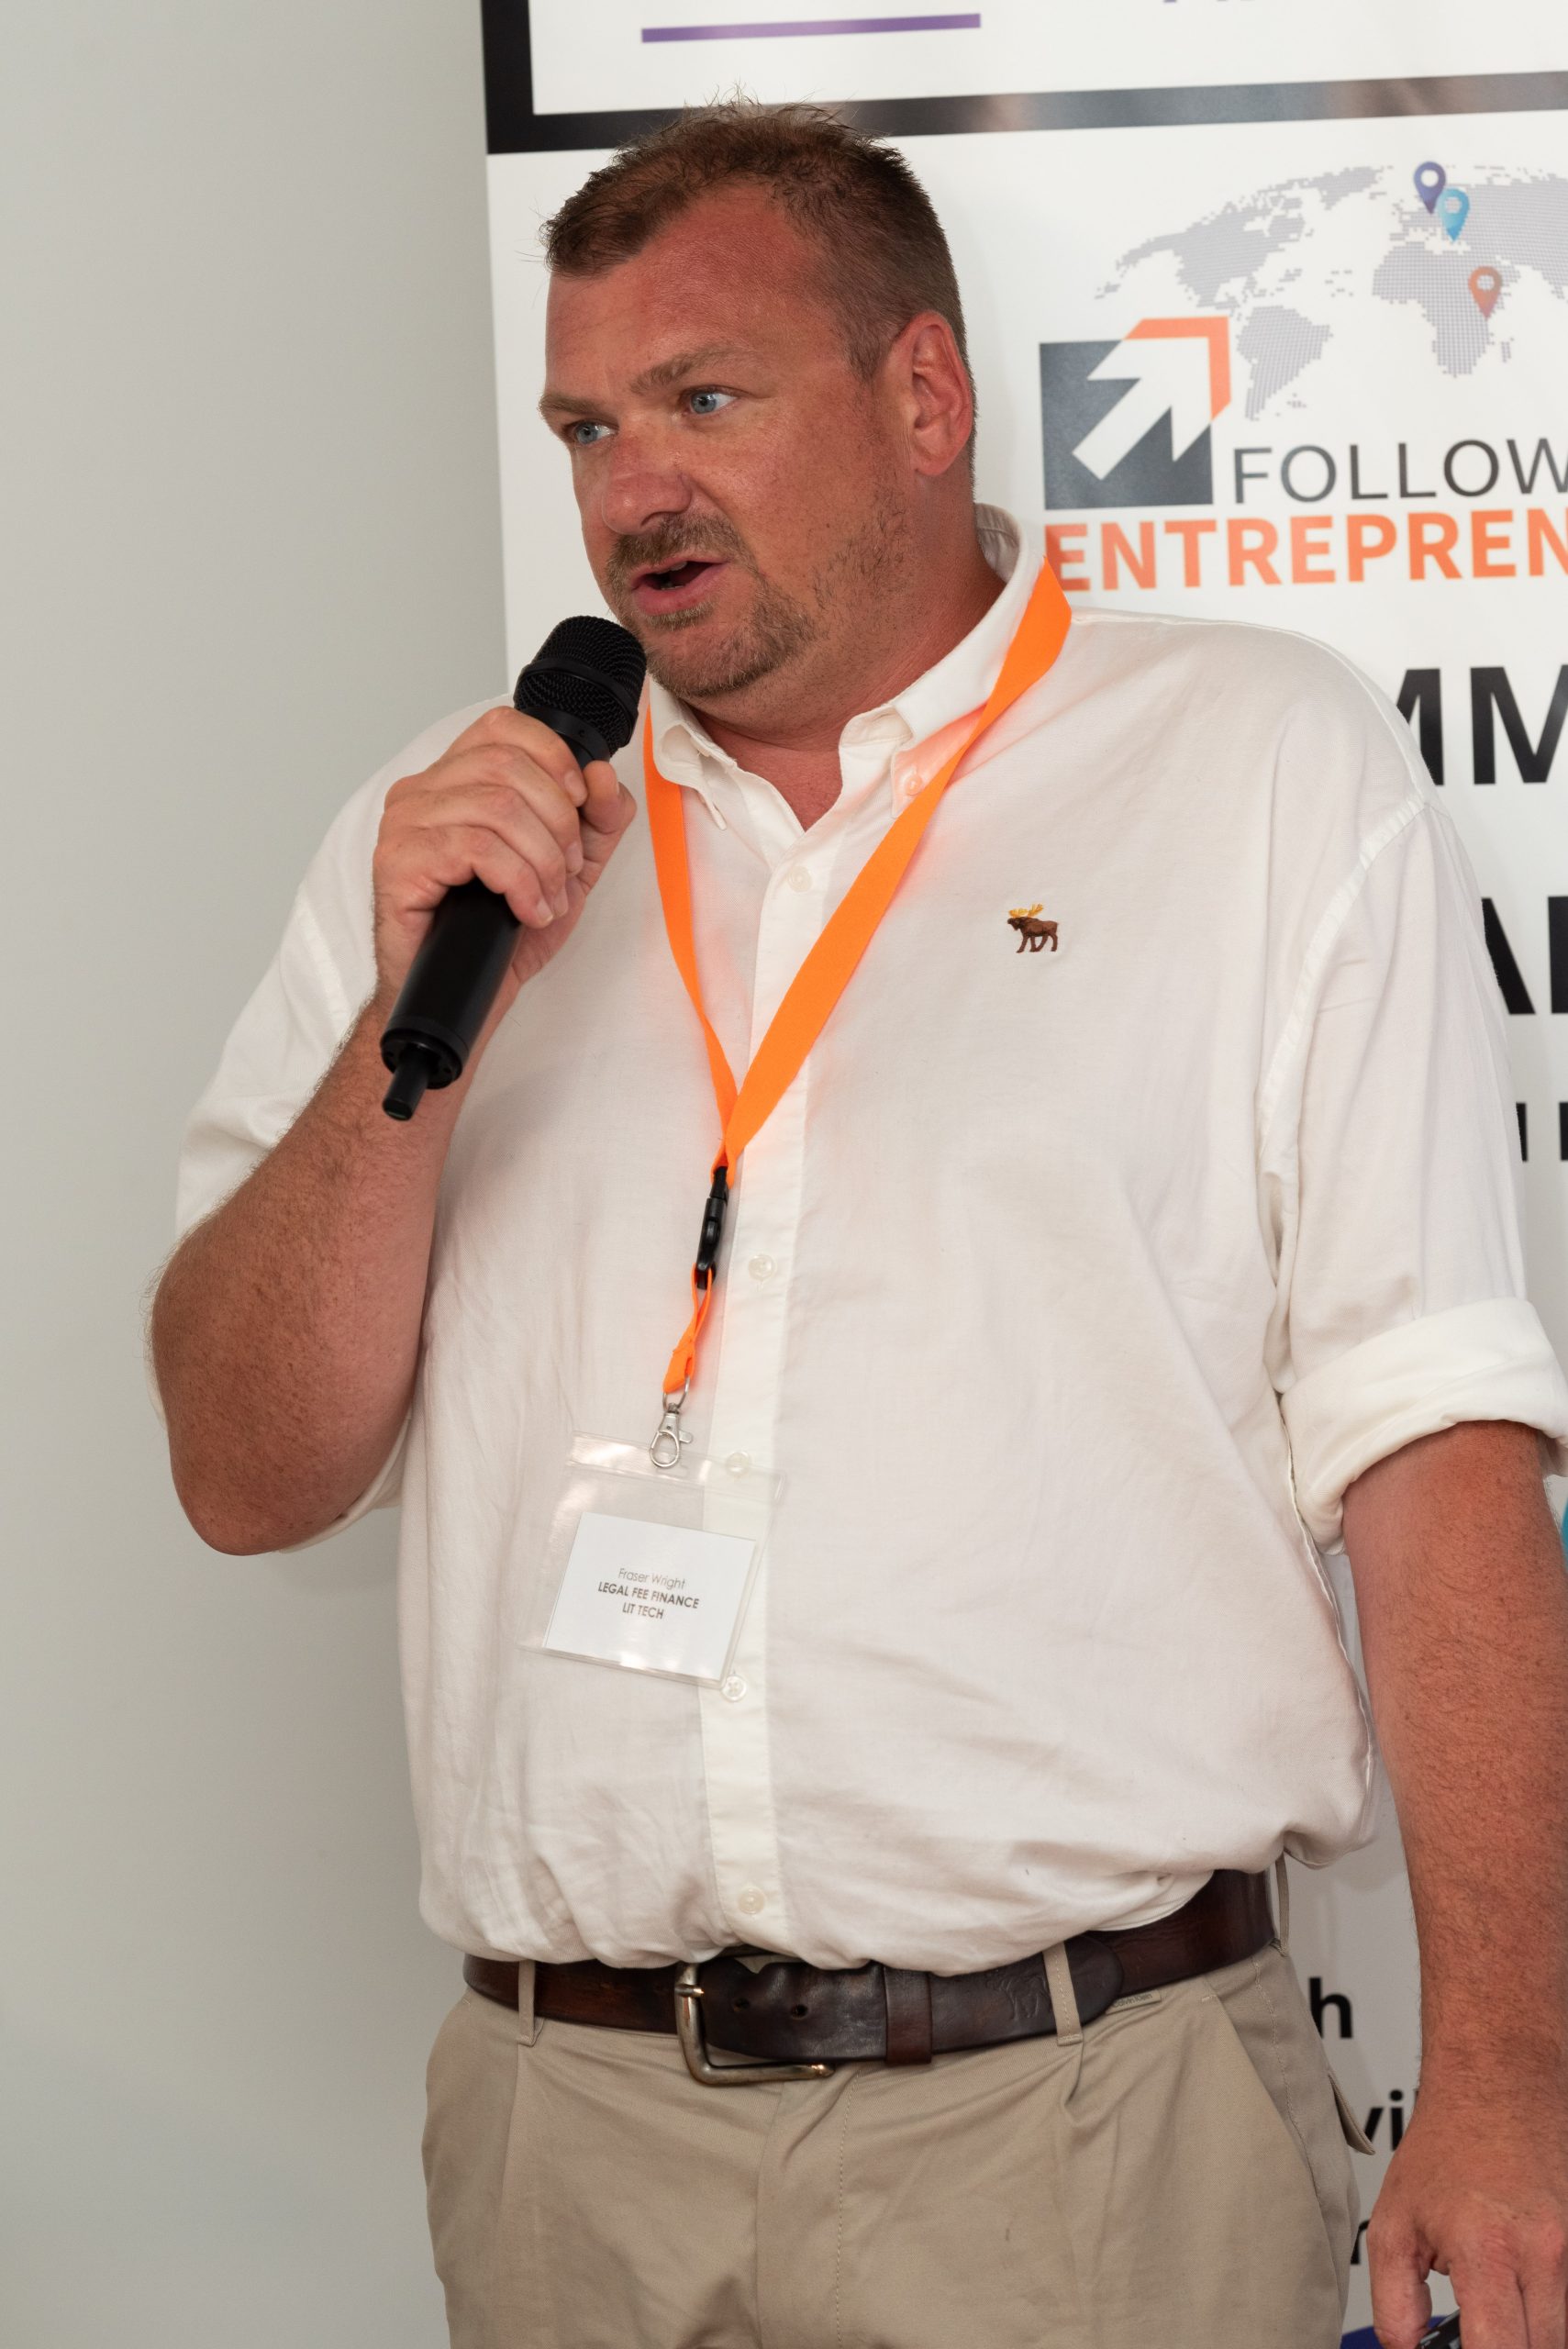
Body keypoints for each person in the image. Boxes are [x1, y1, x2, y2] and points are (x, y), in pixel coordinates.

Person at [147, 101, 1568, 2349]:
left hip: (1084, 2124)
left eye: (703, 399)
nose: (632, 490)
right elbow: (247, 1468)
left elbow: (1439, 1457)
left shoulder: (1257, 770)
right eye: (588, 427)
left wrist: (1506, 2075)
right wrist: (408, 1046)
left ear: (924, 396)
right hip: (571, 2135)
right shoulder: (459, 840)